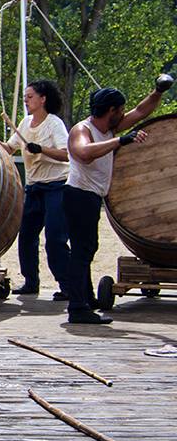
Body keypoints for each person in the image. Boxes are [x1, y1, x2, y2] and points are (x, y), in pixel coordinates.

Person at [63, 74, 171, 325]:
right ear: (111, 110)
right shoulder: (83, 129)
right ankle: (77, 307)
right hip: (78, 195)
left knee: (87, 250)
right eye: (120, 110)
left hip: (89, 197)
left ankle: (86, 299)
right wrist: (121, 140)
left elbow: (141, 111)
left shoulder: (108, 127)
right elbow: (82, 153)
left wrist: (158, 90)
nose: (124, 114)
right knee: (81, 252)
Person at [0, 80, 70, 299]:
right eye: (25, 97)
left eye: (30, 96)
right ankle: (31, 281)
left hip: (56, 186)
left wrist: (41, 149)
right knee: (27, 235)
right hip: (34, 187)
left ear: (43, 99)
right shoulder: (25, 122)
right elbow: (9, 148)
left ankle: (67, 286)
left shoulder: (54, 124)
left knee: (55, 237)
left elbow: (66, 153)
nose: (26, 100)